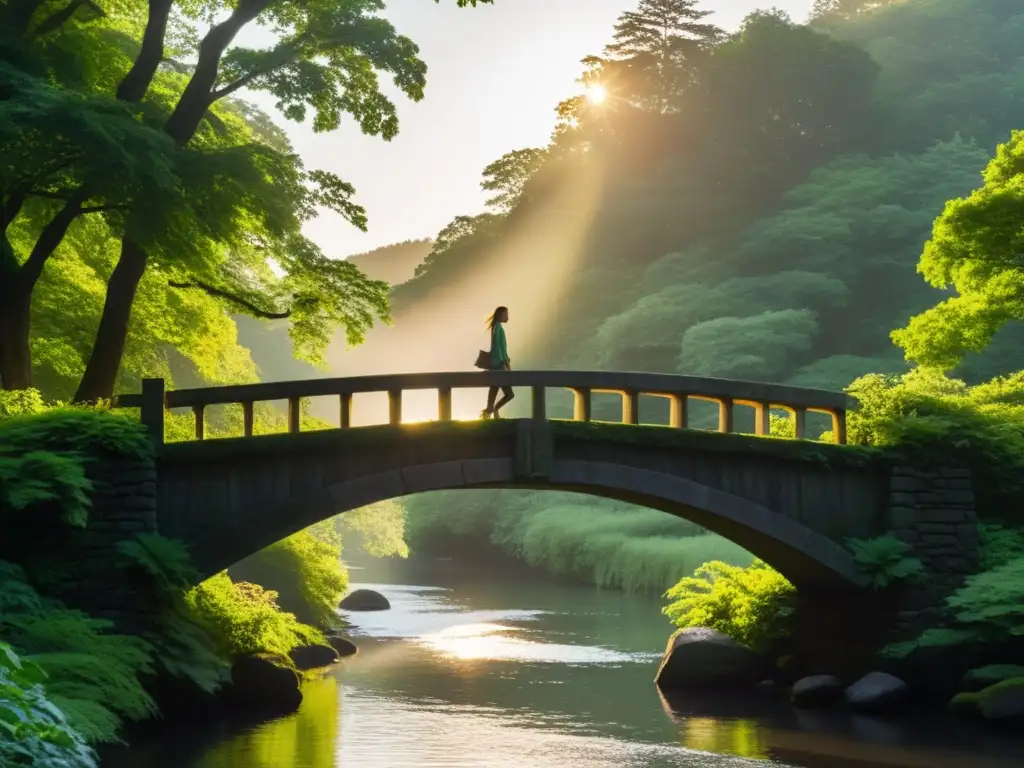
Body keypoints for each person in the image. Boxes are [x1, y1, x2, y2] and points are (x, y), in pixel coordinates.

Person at [481, 306, 514, 419]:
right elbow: (499, 348)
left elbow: (499, 347)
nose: (507, 316)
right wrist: (505, 363)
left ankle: (488, 412)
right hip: (499, 366)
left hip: (496, 365)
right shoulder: (498, 327)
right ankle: (493, 410)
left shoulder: (496, 326)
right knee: (509, 394)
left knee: (494, 390)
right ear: (501, 315)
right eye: (506, 314)